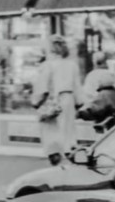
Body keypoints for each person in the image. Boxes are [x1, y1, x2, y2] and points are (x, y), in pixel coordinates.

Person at [32, 36, 82, 166]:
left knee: (51, 132)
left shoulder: (48, 65)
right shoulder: (72, 65)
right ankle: (70, 155)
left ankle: (55, 158)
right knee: (68, 132)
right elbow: (77, 87)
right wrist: (78, 104)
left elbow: (42, 88)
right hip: (69, 100)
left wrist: (36, 103)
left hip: (54, 101)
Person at [80, 51, 115, 131]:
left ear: (94, 62)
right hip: (113, 112)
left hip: (97, 113)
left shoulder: (91, 76)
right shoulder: (111, 75)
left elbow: (87, 95)